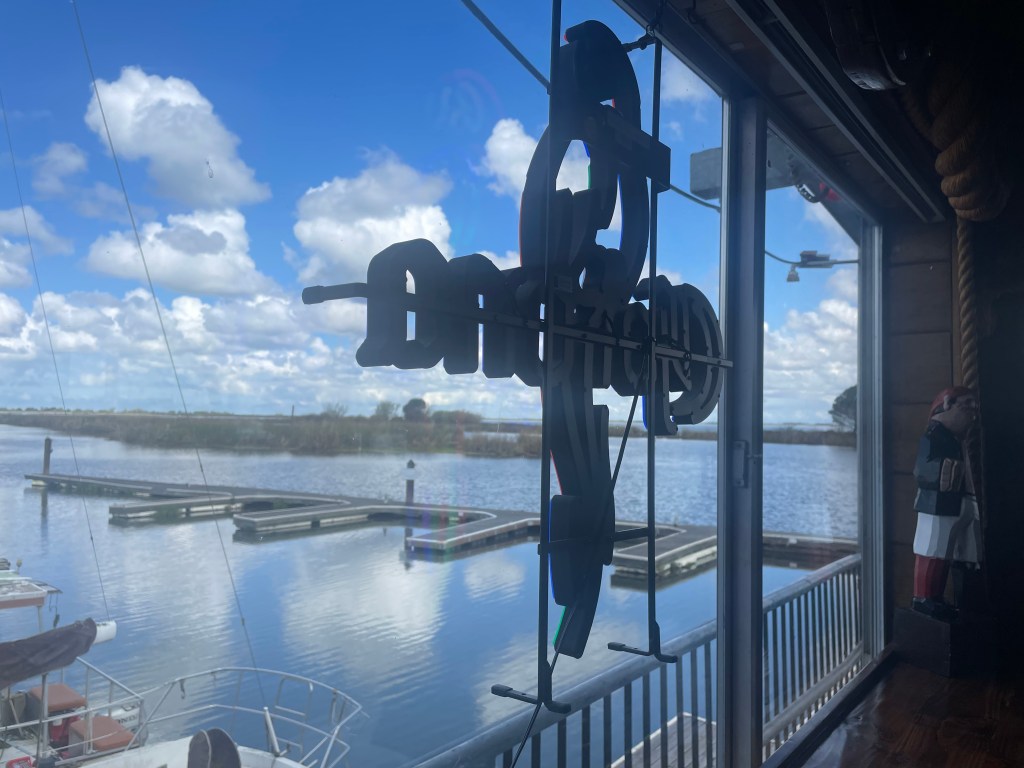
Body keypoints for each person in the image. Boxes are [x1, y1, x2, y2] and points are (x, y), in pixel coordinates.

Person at [911, 385, 981, 621]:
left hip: (954, 504)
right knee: (932, 552)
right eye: (967, 404)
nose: (973, 410)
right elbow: (923, 469)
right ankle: (924, 598)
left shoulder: (954, 439)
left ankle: (940, 598)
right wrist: (948, 469)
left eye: (974, 405)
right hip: (936, 505)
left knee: (949, 554)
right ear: (948, 404)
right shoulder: (933, 435)